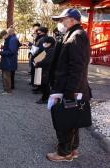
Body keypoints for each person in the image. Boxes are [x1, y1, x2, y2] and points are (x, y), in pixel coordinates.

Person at [47, 8, 92, 162]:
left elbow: (77, 67)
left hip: (69, 87)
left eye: (62, 19)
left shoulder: (77, 36)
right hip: (68, 86)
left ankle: (64, 153)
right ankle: (72, 149)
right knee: (72, 119)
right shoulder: (73, 34)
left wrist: (70, 91)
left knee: (64, 120)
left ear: (72, 20)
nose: (60, 23)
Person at [34, 37, 56, 104]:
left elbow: (47, 61)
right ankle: (44, 97)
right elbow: (40, 57)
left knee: (45, 84)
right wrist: (36, 61)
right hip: (43, 69)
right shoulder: (47, 49)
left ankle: (45, 98)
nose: (44, 44)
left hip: (47, 70)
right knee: (43, 84)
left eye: (45, 42)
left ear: (50, 43)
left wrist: (38, 63)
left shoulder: (51, 50)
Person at [0, 28, 20, 94]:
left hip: (9, 61)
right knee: (4, 76)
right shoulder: (9, 39)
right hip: (6, 60)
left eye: (2, 36)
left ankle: (8, 90)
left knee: (7, 76)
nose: (2, 38)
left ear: (5, 35)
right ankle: (6, 89)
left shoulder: (12, 40)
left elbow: (12, 51)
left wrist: (2, 53)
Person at [31, 27, 49, 93]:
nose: (37, 32)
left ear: (42, 32)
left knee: (39, 72)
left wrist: (34, 50)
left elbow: (41, 49)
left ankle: (40, 88)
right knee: (37, 72)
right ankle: (38, 87)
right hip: (39, 56)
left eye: (38, 31)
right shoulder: (41, 38)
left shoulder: (43, 38)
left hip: (40, 56)